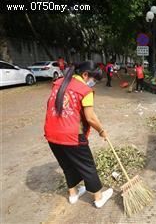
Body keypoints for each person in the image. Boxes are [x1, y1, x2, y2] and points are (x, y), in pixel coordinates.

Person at [44, 60, 113, 208]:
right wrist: (101, 131)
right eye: (93, 80)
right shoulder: (84, 90)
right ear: (85, 74)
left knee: (67, 165)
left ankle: (73, 195)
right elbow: (90, 117)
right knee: (87, 166)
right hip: (71, 135)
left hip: (51, 133)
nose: (93, 83)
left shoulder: (58, 82)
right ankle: (99, 198)